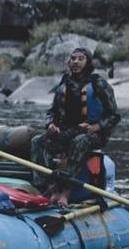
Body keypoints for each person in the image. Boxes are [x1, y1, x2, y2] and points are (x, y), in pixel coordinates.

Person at [36, 47, 121, 205]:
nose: (75, 62)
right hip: (69, 131)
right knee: (38, 142)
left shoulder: (98, 83)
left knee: (79, 141)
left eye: (80, 59)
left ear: (88, 62)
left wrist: (96, 127)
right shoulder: (64, 81)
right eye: (73, 58)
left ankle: (67, 192)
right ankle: (52, 189)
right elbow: (52, 111)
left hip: (93, 134)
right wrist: (51, 124)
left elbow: (114, 116)